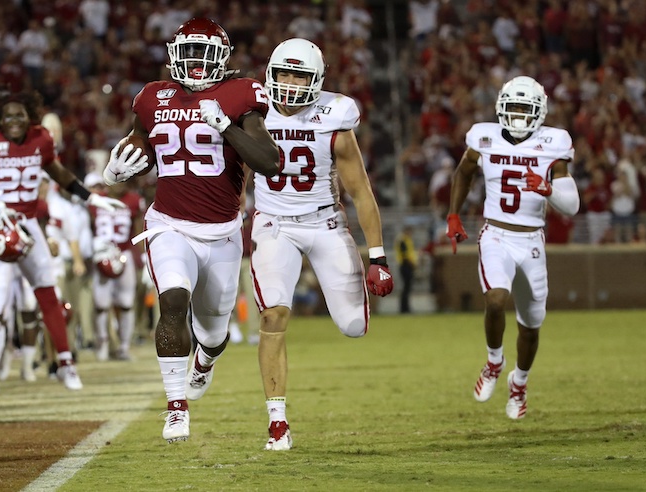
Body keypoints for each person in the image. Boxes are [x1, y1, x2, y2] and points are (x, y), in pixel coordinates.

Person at [102, 17, 280, 443]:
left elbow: (269, 161)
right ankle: (176, 407)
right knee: (173, 302)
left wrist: (227, 127)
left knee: (215, 333)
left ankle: (204, 361)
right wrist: (112, 171)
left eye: (205, 53)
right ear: (174, 55)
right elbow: (138, 143)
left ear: (222, 57)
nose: (197, 63)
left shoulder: (241, 93)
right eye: (190, 53)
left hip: (222, 231)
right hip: (168, 224)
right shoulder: (152, 96)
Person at [250, 38, 394, 451]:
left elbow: (362, 192)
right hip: (274, 224)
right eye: (284, 73)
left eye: (300, 75)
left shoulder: (335, 119)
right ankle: (277, 420)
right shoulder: (252, 111)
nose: (291, 83)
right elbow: (239, 174)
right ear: (270, 74)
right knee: (274, 312)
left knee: (354, 327)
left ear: (318, 81)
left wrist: (379, 256)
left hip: (325, 224)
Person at [0, 91, 126, 390]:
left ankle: (65, 363)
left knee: (47, 293)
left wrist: (92, 199)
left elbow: (60, 175)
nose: (14, 120)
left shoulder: (41, 139)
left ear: (30, 117)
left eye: (20, 115)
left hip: (26, 224)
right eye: (8, 115)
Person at [447, 75, 579, 420]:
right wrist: (453, 215)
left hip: (532, 239)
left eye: (526, 108)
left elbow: (573, 204)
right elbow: (464, 173)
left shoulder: (553, 143)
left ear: (540, 112)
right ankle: (494, 361)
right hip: (496, 234)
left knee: (531, 325)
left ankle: (518, 383)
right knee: (495, 298)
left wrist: (548, 190)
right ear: (501, 108)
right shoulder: (484, 136)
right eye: (514, 107)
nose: (519, 115)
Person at [87, 174, 145, 361]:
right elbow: (87, 228)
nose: (120, 184)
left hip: (124, 253)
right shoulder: (96, 201)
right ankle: (102, 343)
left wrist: (143, 257)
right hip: (102, 253)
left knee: (127, 303)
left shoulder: (134, 200)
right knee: (101, 304)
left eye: (124, 180)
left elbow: (138, 229)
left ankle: (124, 346)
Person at [394, 225, 418, 313]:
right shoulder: (403, 240)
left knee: (407, 287)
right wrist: (412, 264)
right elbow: (405, 255)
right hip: (405, 266)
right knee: (406, 287)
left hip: (406, 265)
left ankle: (405, 307)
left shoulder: (406, 240)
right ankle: (404, 308)